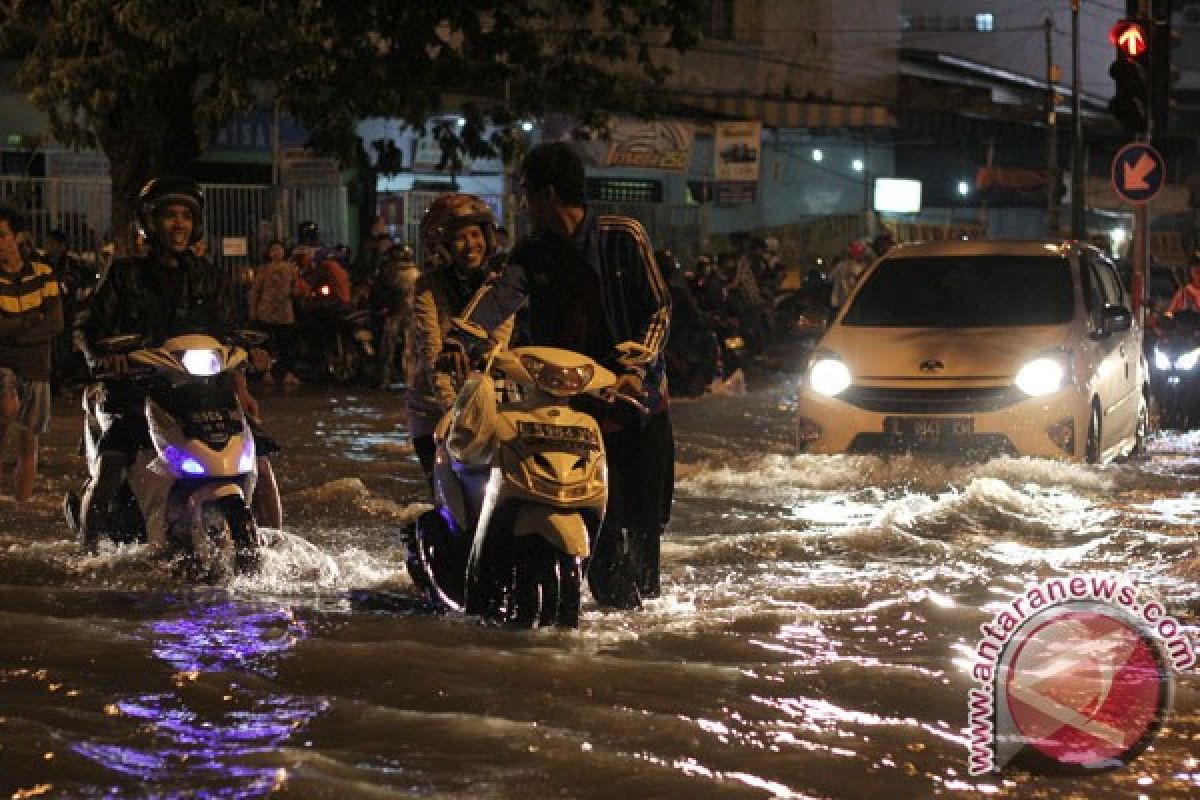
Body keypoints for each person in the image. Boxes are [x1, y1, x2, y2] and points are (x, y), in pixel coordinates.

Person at [440, 142, 673, 608]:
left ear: (547, 194)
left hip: (631, 401)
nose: (524, 205)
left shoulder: (622, 235)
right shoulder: (533, 253)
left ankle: (639, 618)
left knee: (640, 522)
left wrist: (635, 367)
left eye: (525, 193)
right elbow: (498, 298)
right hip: (570, 404)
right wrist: (458, 342)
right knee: (574, 504)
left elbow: (659, 308)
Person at [75, 176, 281, 550]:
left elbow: (231, 333)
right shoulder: (124, 274)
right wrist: (107, 358)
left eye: (185, 215)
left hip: (203, 392)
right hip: (136, 392)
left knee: (262, 461)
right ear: (150, 223)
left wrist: (246, 376)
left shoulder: (209, 276)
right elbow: (89, 328)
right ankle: (89, 555)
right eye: (169, 215)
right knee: (111, 467)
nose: (178, 224)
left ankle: (276, 543)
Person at [407, 194, 512, 488]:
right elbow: (432, 354)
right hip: (432, 407)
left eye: (475, 234)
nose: (471, 245)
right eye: (460, 238)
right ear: (443, 246)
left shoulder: (501, 286)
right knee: (446, 497)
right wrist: (454, 411)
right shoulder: (427, 288)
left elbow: (497, 349)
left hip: (491, 403)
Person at [0, 205, 63, 503]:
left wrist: (15, 328)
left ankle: (20, 507)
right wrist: (31, 321)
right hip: (4, 363)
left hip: (37, 367)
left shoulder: (43, 273)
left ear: (18, 237)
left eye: (2, 236)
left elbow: (56, 322)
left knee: (29, 442)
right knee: (6, 406)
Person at [248, 239, 304, 386]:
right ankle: (266, 373)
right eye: (273, 249)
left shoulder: (291, 269)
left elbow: (296, 289)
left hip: (284, 312)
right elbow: (255, 291)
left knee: (287, 345)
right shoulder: (263, 269)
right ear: (268, 252)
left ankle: (288, 374)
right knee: (266, 345)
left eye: (279, 249)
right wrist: (253, 309)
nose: (277, 252)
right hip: (266, 311)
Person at [829, 239, 870, 310]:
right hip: (851, 305)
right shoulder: (862, 267)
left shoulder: (840, 265)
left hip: (838, 304)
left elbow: (830, 279)